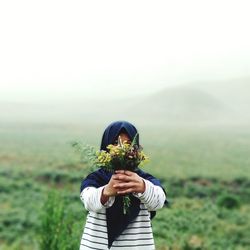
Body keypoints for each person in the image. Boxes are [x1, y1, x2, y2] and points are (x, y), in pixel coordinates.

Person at [79, 121, 167, 250]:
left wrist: (142, 187)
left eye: (128, 144)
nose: (121, 149)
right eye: (115, 143)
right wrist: (106, 192)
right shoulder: (95, 179)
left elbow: (158, 202)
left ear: (136, 150)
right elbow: (88, 201)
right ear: (105, 148)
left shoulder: (144, 179)